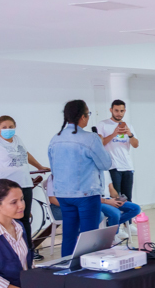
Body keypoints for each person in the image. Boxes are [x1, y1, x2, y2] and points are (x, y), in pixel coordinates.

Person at [48, 100, 112, 257]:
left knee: (69, 234)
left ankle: (68, 268)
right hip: (86, 193)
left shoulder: (55, 139)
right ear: (82, 117)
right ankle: (88, 271)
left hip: (63, 194)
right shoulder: (90, 138)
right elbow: (105, 164)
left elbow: (53, 166)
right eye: (88, 114)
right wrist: (99, 144)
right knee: (88, 235)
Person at [97, 100, 138, 205]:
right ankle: (117, 220)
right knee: (116, 199)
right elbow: (99, 143)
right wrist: (114, 134)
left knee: (127, 198)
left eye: (121, 111)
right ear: (111, 110)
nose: (119, 113)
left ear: (125, 111)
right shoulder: (103, 124)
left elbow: (136, 144)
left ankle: (128, 221)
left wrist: (130, 134)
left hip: (127, 166)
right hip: (113, 166)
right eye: (116, 110)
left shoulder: (128, 125)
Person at [98, 171, 141, 241]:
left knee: (135, 208)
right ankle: (113, 235)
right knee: (115, 213)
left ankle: (110, 225)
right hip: (98, 201)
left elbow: (111, 189)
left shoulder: (105, 172)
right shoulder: (90, 172)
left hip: (109, 199)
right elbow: (90, 196)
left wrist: (119, 199)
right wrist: (108, 201)